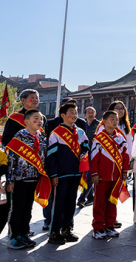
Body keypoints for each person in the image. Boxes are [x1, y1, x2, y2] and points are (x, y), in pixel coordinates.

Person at [46, 102, 90, 245]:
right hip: (61, 174)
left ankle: (67, 229)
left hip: (75, 173)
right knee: (58, 203)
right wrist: (53, 174)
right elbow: (51, 156)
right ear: (63, 115)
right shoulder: (56, 133)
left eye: (76, 112)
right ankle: (54, 232)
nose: (75, 115)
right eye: (72, 112)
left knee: (71, 203)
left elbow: (85, 146)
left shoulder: (81, 132)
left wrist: (84, 153)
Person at [5, 109, 49, 250]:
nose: (40, 121)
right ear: (27, 121)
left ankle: (24, 234)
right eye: (36, 118)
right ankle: (14, 237)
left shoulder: (42, 137)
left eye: (41, 119)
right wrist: (10, 180)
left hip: (35, 178)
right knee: (18, 208)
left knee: (28, 209)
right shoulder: (19, 137)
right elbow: (11, 160)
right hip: (20, 179)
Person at [90, 110, 130, 240]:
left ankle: (109, 226)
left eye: (117, 119)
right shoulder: (99, 138)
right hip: (101, 178)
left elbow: (126, 156)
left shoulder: (121, 138)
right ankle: (98, 228)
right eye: (112, 119)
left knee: (112, 202)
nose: (114, 122)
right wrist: (94, 173)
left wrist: (124, 171)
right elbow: (94, 158)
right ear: (105, 121)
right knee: (99, 203)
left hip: (116, 178)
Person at [77, 106, 100, 208]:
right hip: (83, 153)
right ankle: (90, 198)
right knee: (85, 175)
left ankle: (81, 198)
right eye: (88, 112)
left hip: (93, 154)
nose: (90, 114)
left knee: (90, 176)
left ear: (95, 114)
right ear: (84, 114)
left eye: (92, 112)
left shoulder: (99, 125)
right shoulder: (81, 125)